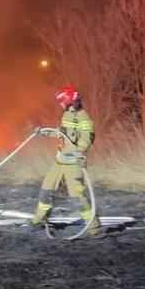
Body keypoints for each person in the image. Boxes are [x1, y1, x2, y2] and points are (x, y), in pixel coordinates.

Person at [31, 86, 101, 235]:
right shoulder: (66, 115)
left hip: (74, 163)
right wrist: (43, 131)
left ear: (70, 101)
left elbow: (87, 137)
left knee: (77, 196)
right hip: (60, 161)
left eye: (62, 101)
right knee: (46, 190)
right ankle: (40, 219)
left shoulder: (83, 117)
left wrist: (79, 151)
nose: (61, 104)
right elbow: (60, 133)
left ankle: (94, 227)